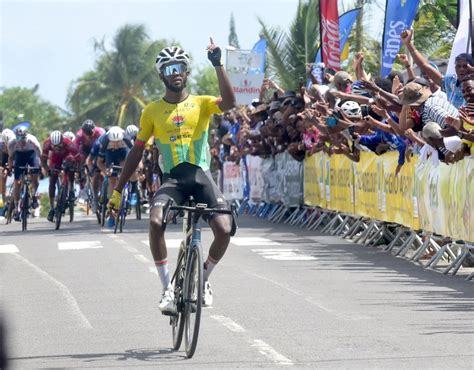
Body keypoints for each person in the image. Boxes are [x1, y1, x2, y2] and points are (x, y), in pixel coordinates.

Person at [108, 39, 235, 314]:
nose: (175, 72)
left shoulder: (202, 103)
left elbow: (230, 102)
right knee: (155, 222)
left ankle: (204, 279)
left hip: (201, 176)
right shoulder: (151, 111)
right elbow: (136, 152)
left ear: (187, 72)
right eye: (169, 68)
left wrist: (217, 64)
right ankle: (166, 288)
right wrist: (117, 190)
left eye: (180, 67)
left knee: (225, 229)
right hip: (173, 180)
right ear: (161, 74)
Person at [400, 28, 474, 108]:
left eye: (465, 66)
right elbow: (424, 65)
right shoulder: (450, 82)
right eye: (458, 66)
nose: (461, 69)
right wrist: (409, 44)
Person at [41, 130, 81, 222]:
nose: (57, 148)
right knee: (52, 180)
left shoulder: (68, 143)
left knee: (70, 163)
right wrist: (48, 170)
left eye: (59, 146)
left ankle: (70, 189)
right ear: (51, 143)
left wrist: (77, 171)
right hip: (55, 159)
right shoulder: (47, 143)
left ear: (62, 141)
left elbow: (78, 158)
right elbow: (43, 161)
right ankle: (52, 209)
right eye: (54, 146)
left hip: (67, 156)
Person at [7, 126, 42, 221]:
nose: (21, 141)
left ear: (27, 137)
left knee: (35, 177)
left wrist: (41, 167)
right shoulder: (12, 143)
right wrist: (10, 169)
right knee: (17, 182)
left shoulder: (32, 141)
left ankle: (34, 196)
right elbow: (10, 158)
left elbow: (40, 155)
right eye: (19, 138)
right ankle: (17, 208)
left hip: (32, 155)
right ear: (15, 137)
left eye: (23, 139)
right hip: (19, 156)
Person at [0, 129, 15, 213]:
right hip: (5, 156)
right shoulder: (1, 144)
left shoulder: (14, 141)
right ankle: (4, 199)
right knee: (3, 175)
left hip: (14, 155)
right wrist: (3, 167)